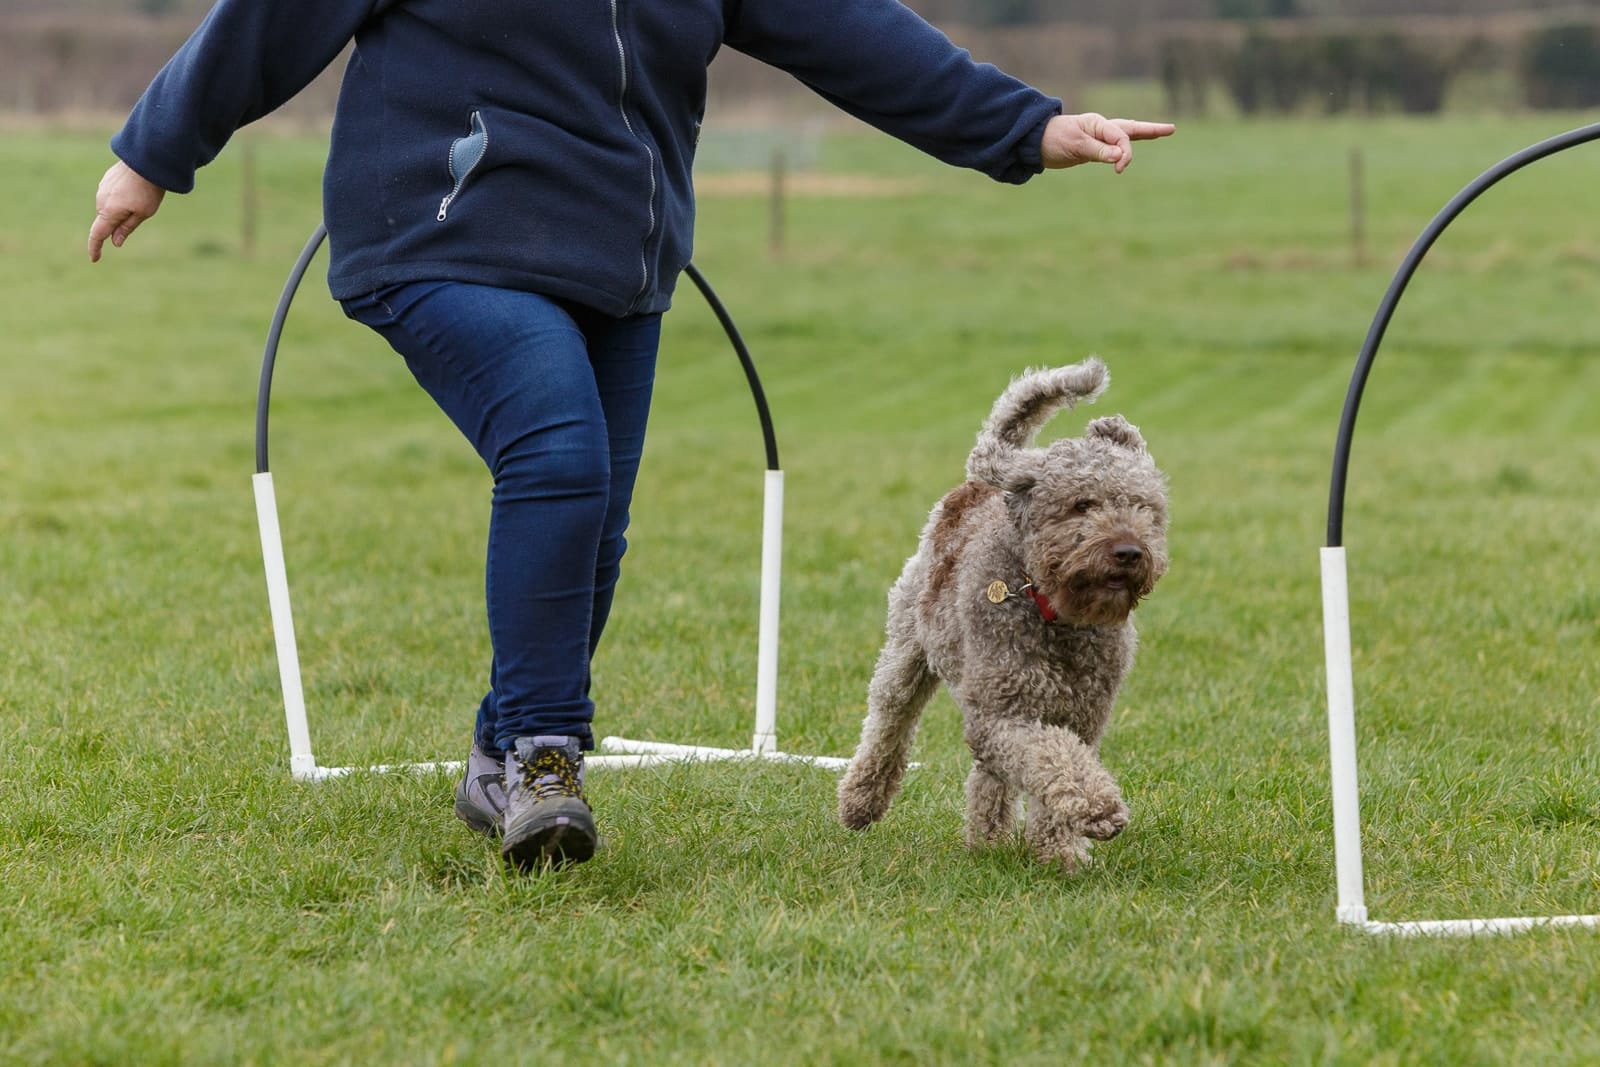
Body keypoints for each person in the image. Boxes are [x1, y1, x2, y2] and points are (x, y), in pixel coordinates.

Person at [88, 0, 1175, 872]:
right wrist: (150, 154)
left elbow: (850, 30)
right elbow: (267, 20)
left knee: (592, 517)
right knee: (557, 455)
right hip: (437, 238)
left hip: (617, 266)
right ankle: (545, 756)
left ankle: (496, 752)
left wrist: (1022, 125)